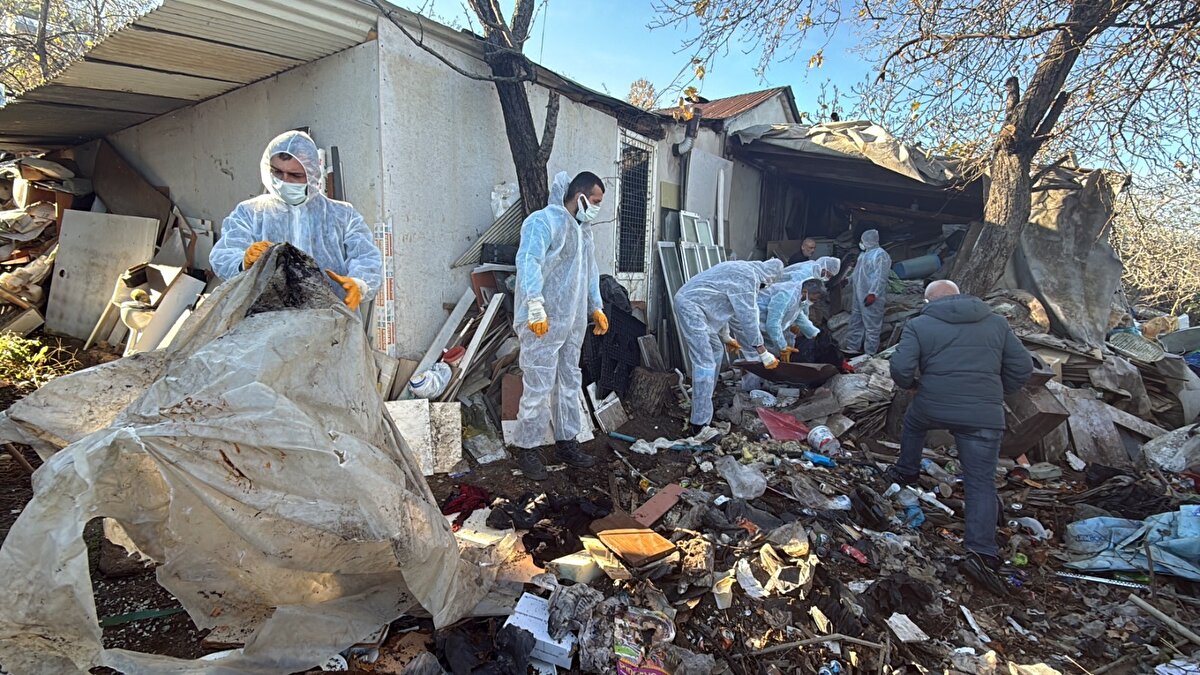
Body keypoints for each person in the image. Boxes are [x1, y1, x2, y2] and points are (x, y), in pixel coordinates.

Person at [888, 279, 1033, 593]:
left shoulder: (920, 324)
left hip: (933, 404)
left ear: (929, 302)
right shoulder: (996, 322)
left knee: (913, 424)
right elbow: (1022, 367)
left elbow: (900, 367)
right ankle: (982, 549)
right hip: (984, 413)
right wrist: (996, 392)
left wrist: (913, 386)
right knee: (980, 479)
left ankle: (906, 472)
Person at [210, 131, 383, 311]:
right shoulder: (250, 213)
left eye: (295, 175)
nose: (284, 181)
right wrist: (242, 261)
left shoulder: (343, 215)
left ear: (313, 174)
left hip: (329, 323)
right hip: (265, 325)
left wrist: (360, 283)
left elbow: (366, 257)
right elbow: (223, 254)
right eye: (277, 172)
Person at [511, 171, 608, 481]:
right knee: (538, 383)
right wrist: (534, 304)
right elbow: (529, 261)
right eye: (594, 201)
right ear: (578, 196)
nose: (596, 208)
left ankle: (567, 441)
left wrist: (596, 306)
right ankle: (528, 448)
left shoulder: (584, 230)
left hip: (572, 320)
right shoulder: (543, 221)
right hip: (543, 317)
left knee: (569, 379)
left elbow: (590, 271)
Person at [674, 259, 785, 433]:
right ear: (769, 279)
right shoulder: (748, 278)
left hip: (697, 306)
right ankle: (699, 423)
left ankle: (707, 395)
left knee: (717, 350)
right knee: (705, 362)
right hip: (692, 307)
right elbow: (747, 317)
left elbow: (723, 305)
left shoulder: (744, 268)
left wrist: (726, 337)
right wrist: (763, 352)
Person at [844, 229, 891, 355]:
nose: (861, 243)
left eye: (862, 241)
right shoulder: (863, 255)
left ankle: (869, 354)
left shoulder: (881, 255)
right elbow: (857, 273)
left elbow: (880, 277)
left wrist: (873, 293)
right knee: (855, 323)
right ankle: (851, 350)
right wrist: (847, 280)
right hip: (858, 296)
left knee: (872, 327)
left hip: (871, 297)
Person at [758, 278, 821, 361]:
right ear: (805, 292)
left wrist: (814, 333)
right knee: (754, 357)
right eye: (812, 300)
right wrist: (783, 346)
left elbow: (798, 314)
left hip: (762, 325)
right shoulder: (786, 296)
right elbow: (772, 324)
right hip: (754, 321)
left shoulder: (800, 296)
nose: (812, 302)